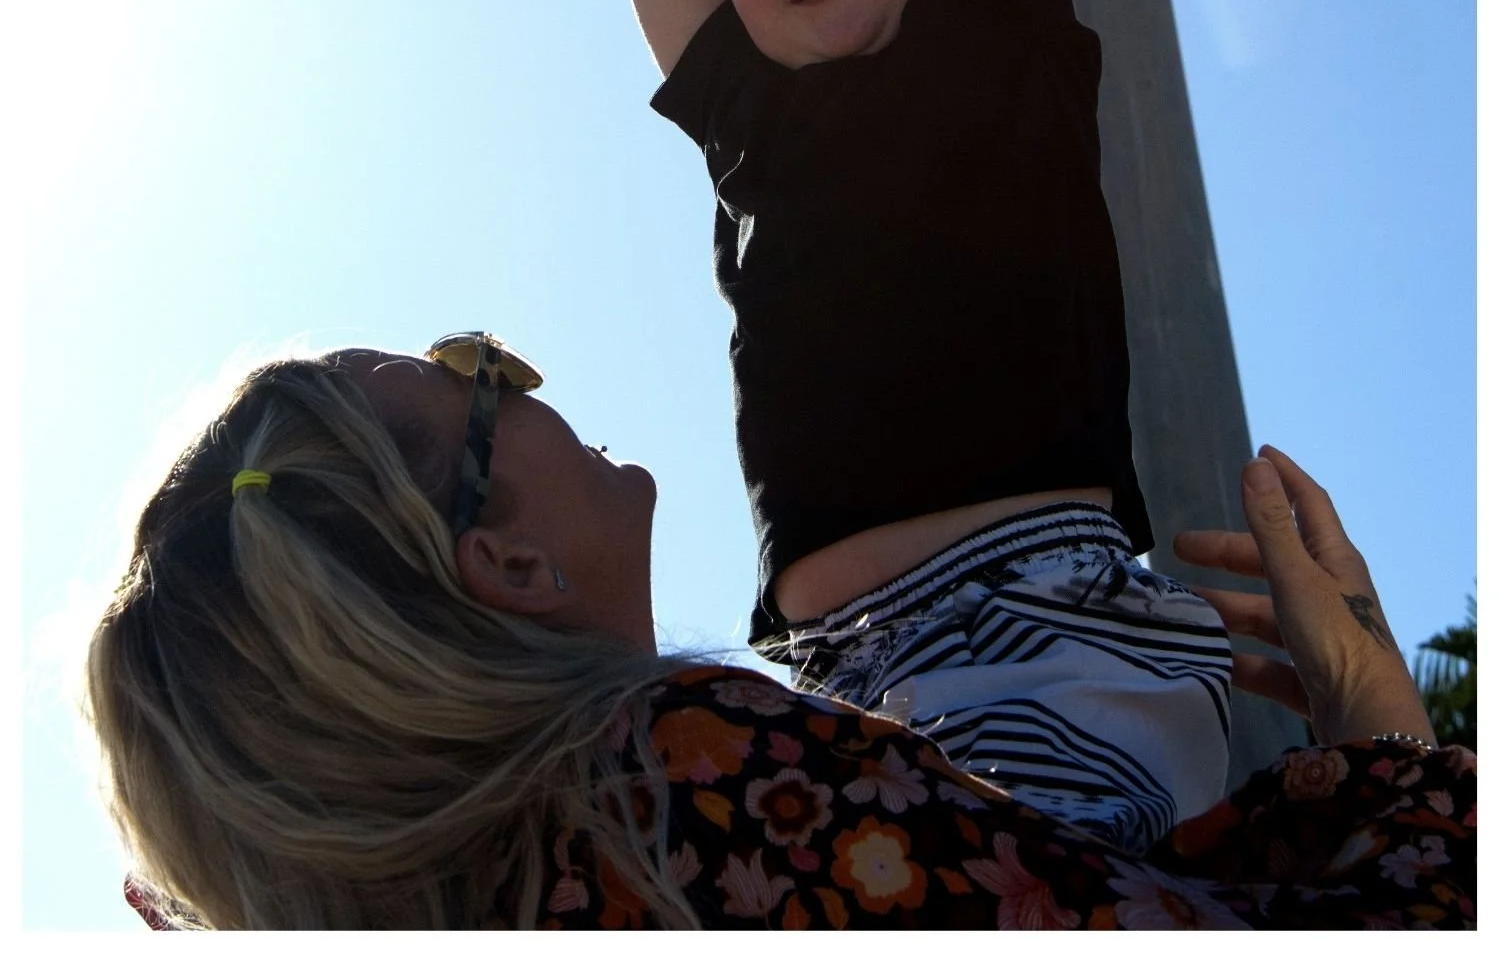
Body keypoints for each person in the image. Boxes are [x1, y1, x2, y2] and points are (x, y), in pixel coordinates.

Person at [614, 0, 1227, 848]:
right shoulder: (752, 119)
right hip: (852, 684)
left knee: (1062, 879)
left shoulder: (990, 28)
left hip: (1046, 625)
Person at [91, 337, 1471, 931]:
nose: (524, 374)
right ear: (503, 558)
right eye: (475, 375)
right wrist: (1376, 728)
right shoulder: (690, 793)